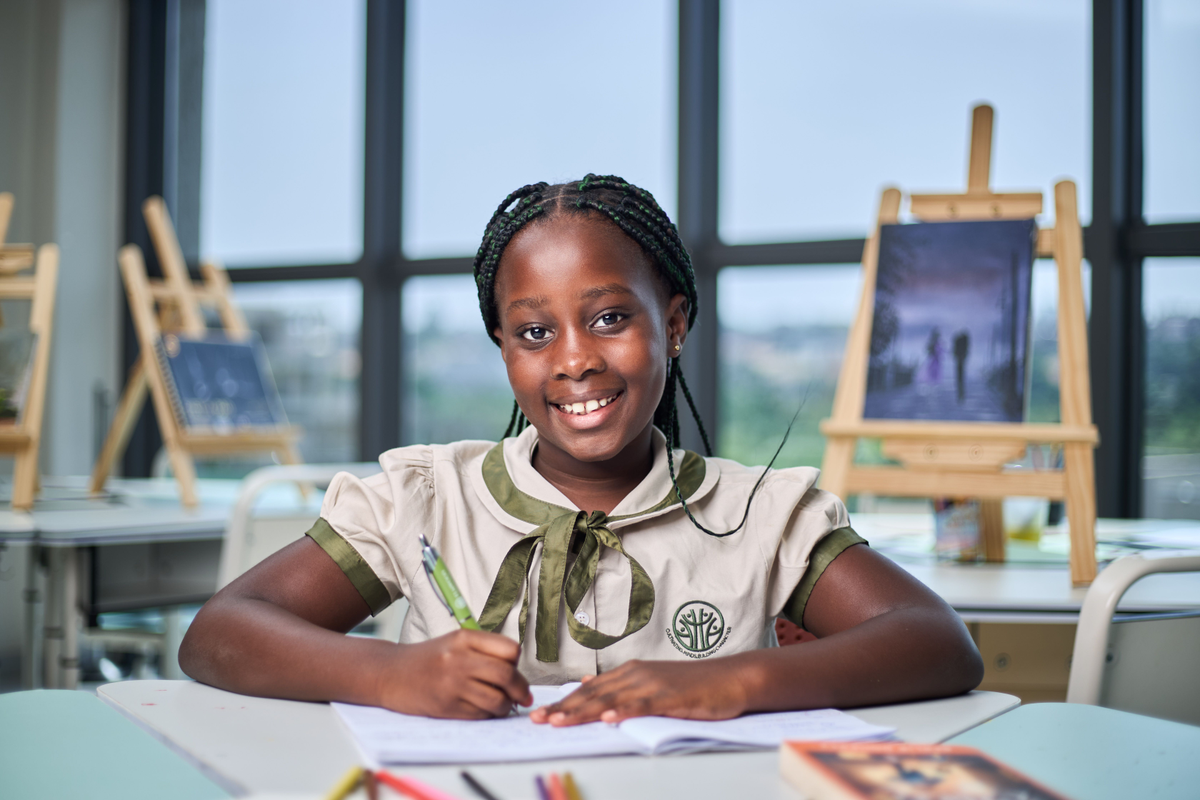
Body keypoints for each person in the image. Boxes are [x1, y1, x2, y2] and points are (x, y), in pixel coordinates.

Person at [180, 175, 982, 726]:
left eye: (608, 319)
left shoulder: (761, 513)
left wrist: (732, 680)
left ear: (672, 325)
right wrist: (391, 676)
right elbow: (221, 631)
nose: (574, 360)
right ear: (504, 350)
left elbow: (937, 641)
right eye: (535, 333)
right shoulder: (421, 498)